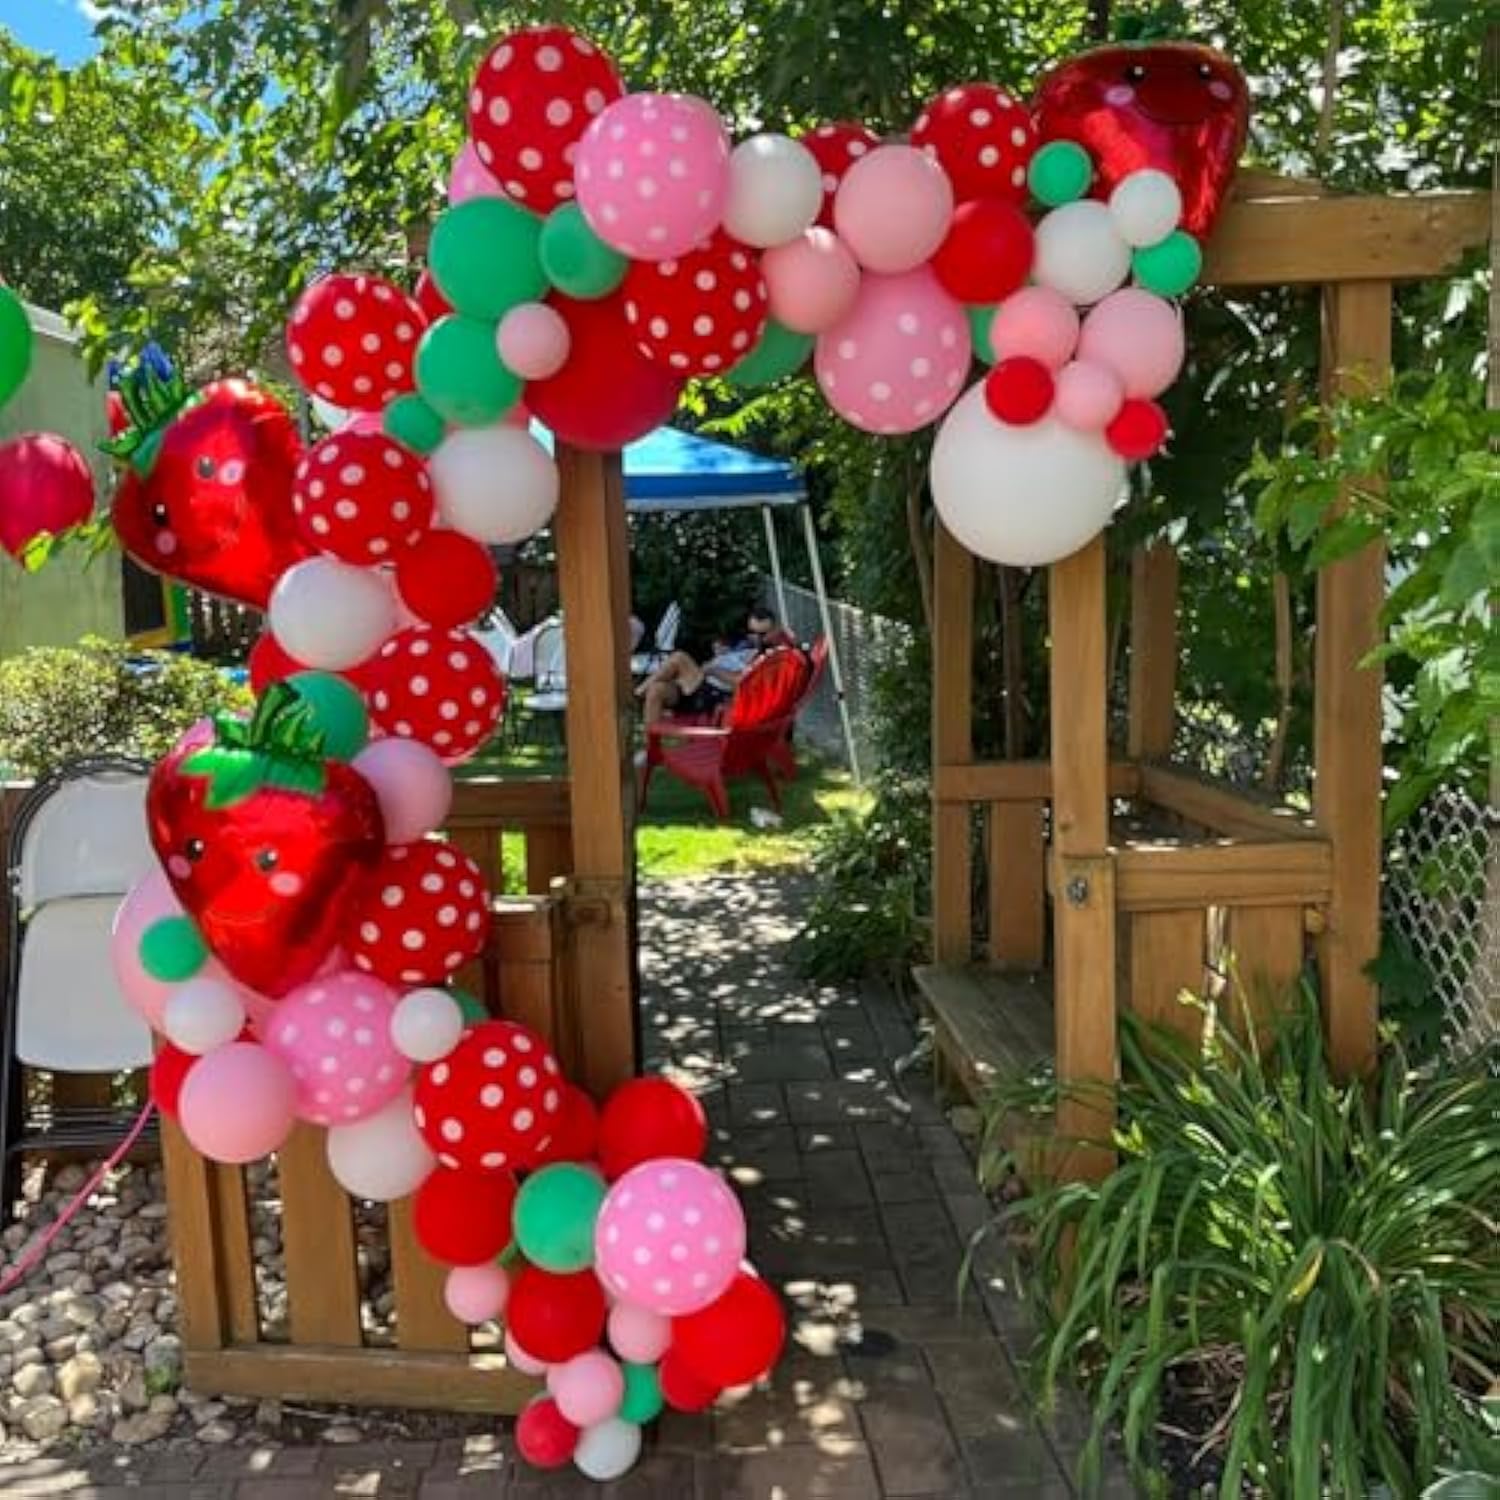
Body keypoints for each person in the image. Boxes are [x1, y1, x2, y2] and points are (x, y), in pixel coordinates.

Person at [636, 606, 796, 726]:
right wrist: (724, 653)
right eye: (752, 632)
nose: (757, 638)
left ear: (775, 630)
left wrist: (714, 670)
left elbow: (743, 682)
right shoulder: (757, 648)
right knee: (656, 689)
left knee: (679, 658)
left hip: (714, 696)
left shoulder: (771, 658)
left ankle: (635, 695)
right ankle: (652, 748)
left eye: (762, 634)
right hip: (702, 688)